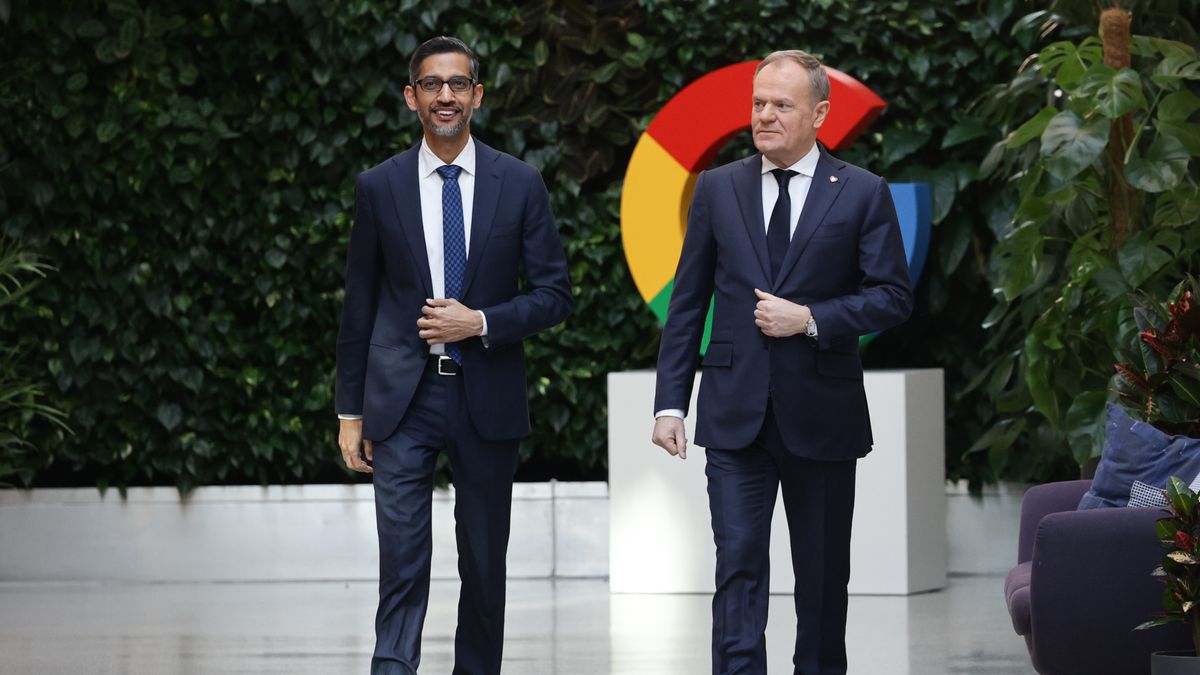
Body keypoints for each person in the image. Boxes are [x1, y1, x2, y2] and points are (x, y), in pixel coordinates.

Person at [651, 50, 913, 675]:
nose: (764, 116)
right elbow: (687, 304)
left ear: (819, 114)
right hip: (733, 416)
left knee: (822, 577)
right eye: (758, 103)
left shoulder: (862, 192)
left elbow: (892, 296)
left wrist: (811, 318)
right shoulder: (717, 187)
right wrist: (669, 404)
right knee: (737, 569)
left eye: (781, 105)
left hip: (822, 415)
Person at [334, 36, 573, 675]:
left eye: (458, 84)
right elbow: (359, 306)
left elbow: (555, 296)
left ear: (478, 95)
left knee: (484, 562)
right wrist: (350, 411)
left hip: (485, 394)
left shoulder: (519, 183)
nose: (446, 95)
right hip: (401, 402)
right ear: (411, 97)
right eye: (432, 85)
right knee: (401, 559)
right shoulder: (379, 186)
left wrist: (481, 322)